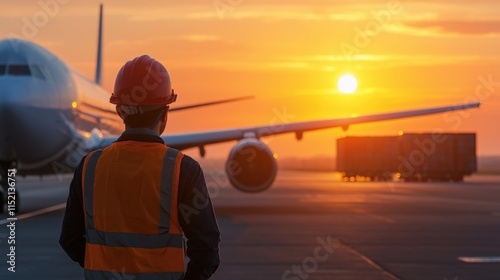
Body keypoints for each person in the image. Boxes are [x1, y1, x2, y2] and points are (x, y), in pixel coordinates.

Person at [59, 55, 221, 280]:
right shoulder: (183, 169)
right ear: (165, 113)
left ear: (120, 112)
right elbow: (207, 248)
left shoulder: (89, 167)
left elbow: (70, 240)